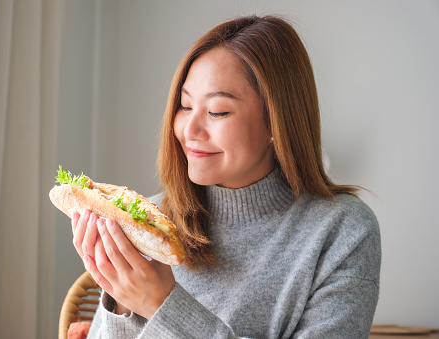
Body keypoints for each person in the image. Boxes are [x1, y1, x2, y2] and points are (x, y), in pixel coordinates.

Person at [70, 15, 381, 338]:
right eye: (185, 106)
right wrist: (122, 304)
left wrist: (163, 305)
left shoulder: (342, 231)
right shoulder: (150, 221)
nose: (189, 130)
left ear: (277, 122)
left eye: (217, 111)